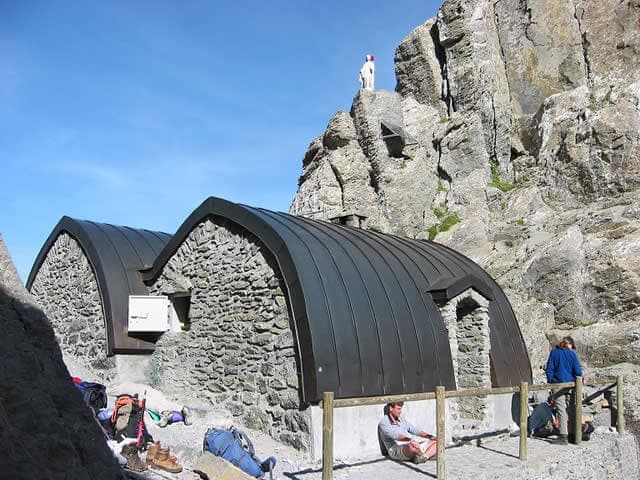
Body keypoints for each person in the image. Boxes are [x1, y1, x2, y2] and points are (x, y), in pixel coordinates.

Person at [546, 336, 582, 445]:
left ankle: (563, 436)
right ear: (569, 344)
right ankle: (573, 434)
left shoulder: (554, 353)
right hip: (571, 384)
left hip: (557, 384)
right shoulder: (572, 354)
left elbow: (550, 368)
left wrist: (551, 380)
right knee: (572, 409)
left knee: (561, 409)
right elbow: (578, 371)